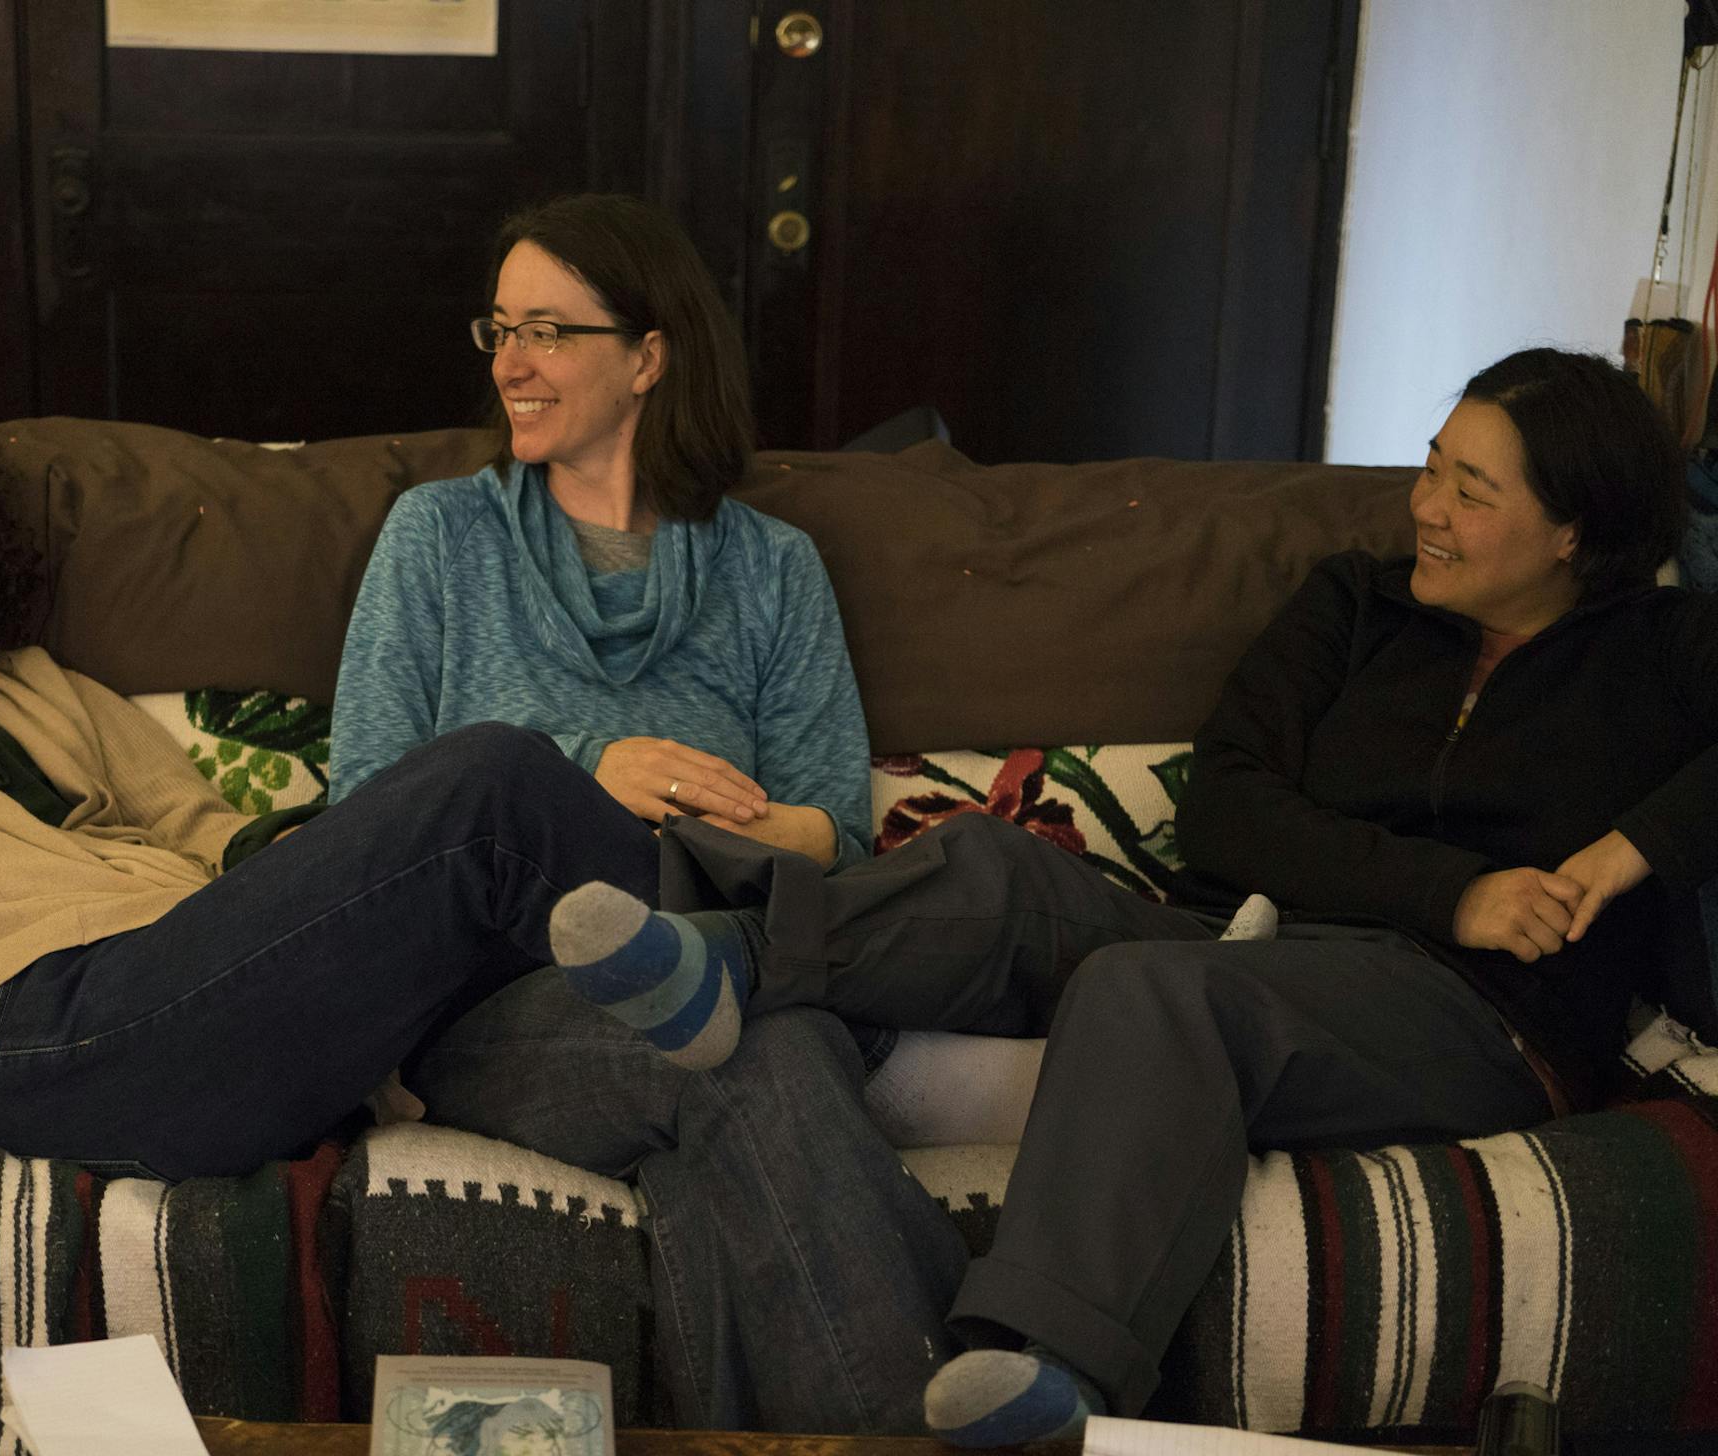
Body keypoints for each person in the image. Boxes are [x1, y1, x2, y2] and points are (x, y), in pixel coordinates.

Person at [0, 126, 970, 1432]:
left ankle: (899, 1426)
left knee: (749, 1050)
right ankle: (884, 943)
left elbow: (231, 847)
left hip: (206, 1003)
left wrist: (347, 897)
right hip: (23, 1034)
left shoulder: (40, 691)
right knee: (495, 781)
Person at [526, 342, 1718, 1443]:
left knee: (1155, 992)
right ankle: (724, 961)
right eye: (1429, 467)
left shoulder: (1662, 653)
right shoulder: (1360, 603)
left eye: (1472, 490)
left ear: (1574, 533)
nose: (1427, 508)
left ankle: (1043, 1371)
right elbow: (1229, 805)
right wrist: (1453, 886)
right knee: (999, 868)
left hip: (1476, 1012)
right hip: (1267, 937)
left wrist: (1627, 852)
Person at [329, 193, 871, 870]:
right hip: (497, 937)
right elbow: (360, 816)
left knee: (995, 870)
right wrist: (585, 772)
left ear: (646, 360)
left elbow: (837, 840)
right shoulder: (438, 535)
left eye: (545, 333)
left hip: (707, 918)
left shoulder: (774, 566)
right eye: (501, 332)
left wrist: (682, 834)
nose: (507, 366)